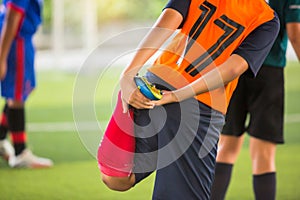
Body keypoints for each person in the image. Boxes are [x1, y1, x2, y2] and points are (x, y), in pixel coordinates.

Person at [97, 0, 279, 199]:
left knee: (117, 177)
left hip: (155, 84)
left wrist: (128, 73)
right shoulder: (267, 19)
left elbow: (165, 24)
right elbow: (233, 68)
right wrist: (177, 95)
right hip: (199, 108)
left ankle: (126, 102)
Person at [210, 0, 300, 199]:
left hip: (235, 69)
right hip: (269, 72)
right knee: (264, 154)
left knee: (225, 146)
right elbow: (295, 34)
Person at [0, 0, 53, 168]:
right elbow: (12, 16)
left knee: (21, 92)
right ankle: (20, 152)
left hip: (21, 39)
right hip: (17, 41)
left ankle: (1, 138)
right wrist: (2, 58)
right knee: (16, 96)